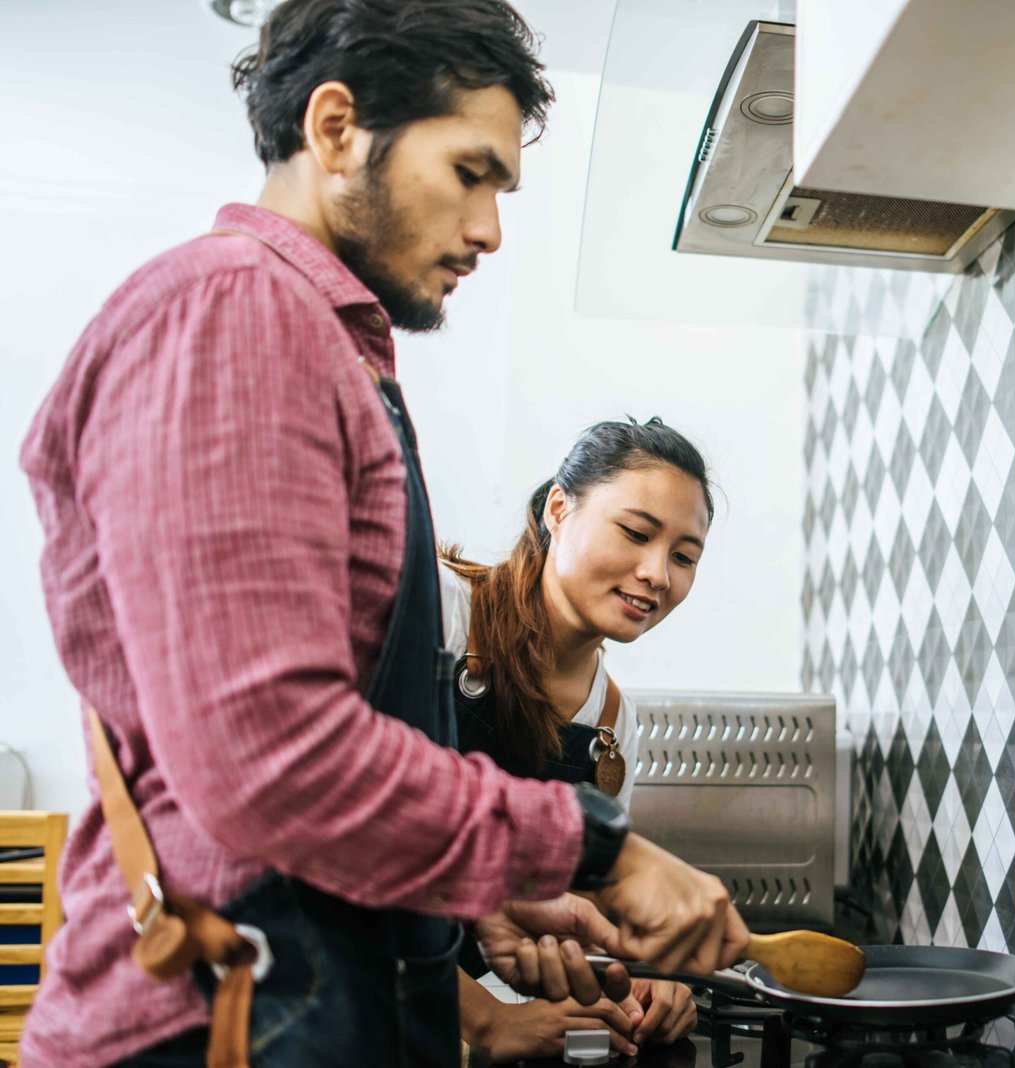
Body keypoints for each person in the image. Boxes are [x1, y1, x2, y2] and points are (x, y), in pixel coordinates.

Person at [18, 2, 746, 1065]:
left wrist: (484, 905)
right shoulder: (235, 313)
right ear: (336, 128)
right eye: (470, 173)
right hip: (213, 1022)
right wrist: (596, 851)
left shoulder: (316, 346)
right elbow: (268, 759)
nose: (492, 227)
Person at [441, 418, 713, 1059]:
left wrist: (632, 977)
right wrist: (486, 1021)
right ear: (559, 508)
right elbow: (345, 849)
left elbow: (577, 897)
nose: (656, 574)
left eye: (683, 556)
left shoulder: (613, 720)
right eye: (637, 533)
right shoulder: (445, 614)